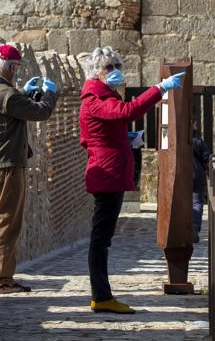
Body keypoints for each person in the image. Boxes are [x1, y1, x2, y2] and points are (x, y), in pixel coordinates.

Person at [79, 47, 184, 314]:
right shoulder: (94, 97)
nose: (115, 71)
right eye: (109, 67)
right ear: (96, 72)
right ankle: (101, 297)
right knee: (100, 239)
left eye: (116, 66)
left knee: (102, 238)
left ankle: (101, 295)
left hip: (109, 169)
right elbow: (128, 111)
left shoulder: (103, 93)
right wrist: (159, 88)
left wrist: (121, 139)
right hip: (107, 174)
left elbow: (91, 135)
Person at [0, 43, 58, 295]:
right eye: (16, 68)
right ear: (9, 67)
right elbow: (41, 112)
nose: (17, 72)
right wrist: (49, 93)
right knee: (7, 223)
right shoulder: (5, 94)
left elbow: (9, 108)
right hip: (6, 167)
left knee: (2, 222)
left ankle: (3, 277)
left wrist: (23, 91)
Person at [191, 116, 212, 243]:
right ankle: (194, 225)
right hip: (196, 175)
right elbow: (207, 158)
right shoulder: (197, 141)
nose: (197, 124)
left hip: (179, 177)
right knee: (197, 202)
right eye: (195, 121)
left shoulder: (175, 138)